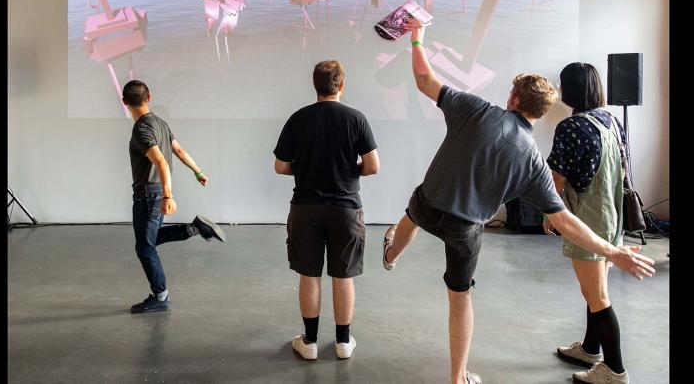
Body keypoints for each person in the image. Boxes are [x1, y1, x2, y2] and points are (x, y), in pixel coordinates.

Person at [381, 20, 655, 384]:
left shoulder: (475, 108)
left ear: (513, 99)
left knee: (409, 219)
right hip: (466, 228)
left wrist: (417, 39)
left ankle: (391, 255)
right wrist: (612, 250)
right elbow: (564, 221)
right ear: (541, 113)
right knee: (459, 296)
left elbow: (424, 79)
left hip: (429, 201)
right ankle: (458, 377)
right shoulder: (532, 161)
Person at [273, 60, 380, 360]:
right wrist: (348, 170)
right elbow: (373, 166)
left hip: (306, 207)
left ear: (315, 85)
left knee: (310, 275)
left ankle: (308, 342)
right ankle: (343, 342)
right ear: (342, 85)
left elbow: (280, 166)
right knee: (343, 275)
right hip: (345, 208)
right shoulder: (356, 119)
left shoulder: (298, 119)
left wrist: (305, 168)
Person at [546, 62, 633, 384]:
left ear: (571, 89)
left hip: (588, 216)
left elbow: (555, 179)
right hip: (612, 214)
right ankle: (589, 348)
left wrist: (550, 215)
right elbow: (623, 170)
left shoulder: (571, 127)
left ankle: (614, 370)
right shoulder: (609, 120)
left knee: (596, 294)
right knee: (596, 287)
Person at [122, 80, 226, 314]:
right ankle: (194, 228)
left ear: (125, 102)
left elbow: (160, 161)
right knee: (152, 238)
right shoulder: (160, 122)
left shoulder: (141, 128)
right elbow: (178, 150)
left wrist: (168, 196)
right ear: (149, 96)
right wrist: (197, 171)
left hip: (148, 195)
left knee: (145, 247)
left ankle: (160, 296)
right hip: (155, 192)